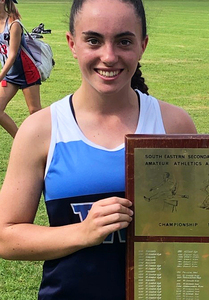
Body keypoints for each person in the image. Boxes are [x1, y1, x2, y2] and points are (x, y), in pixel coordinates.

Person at [0, 0, 196, 299]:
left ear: (142, 45)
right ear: (72, 43)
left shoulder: (174, 123)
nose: (109, 56)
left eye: (124, 41)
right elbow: (6, 236)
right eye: (93, 40)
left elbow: (201, 224)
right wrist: (82, 232)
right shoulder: (41, 130)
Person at [0, 0, 41, 138]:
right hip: (10, 74)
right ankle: (20, 141)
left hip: (27, 71)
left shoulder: (14, 24)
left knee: (35, 113)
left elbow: (12, 55)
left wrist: (0, 76)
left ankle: (50, 142)